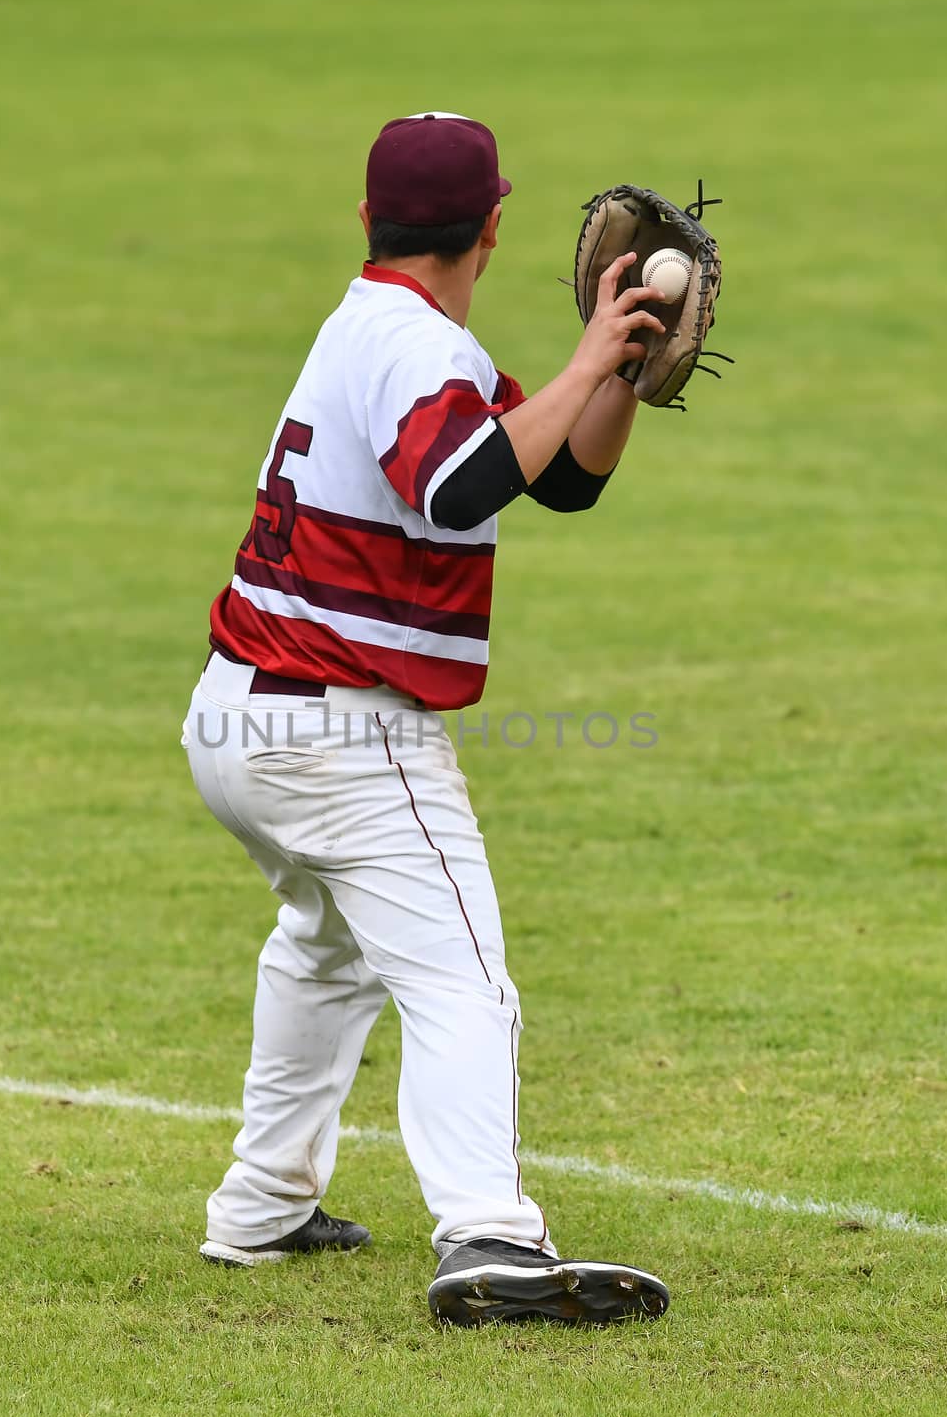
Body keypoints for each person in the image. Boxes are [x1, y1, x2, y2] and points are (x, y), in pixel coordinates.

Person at [182, 112, 670, 1326]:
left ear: (368, 218)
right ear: (494, 226)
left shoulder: (388, 328)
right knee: (465, 983)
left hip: (242, 719)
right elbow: (457, 485)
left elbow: (557, 476)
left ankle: (262, 1205)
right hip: (337, 735)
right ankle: (490, 1238)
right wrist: (576, 364)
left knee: (328, 945)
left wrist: (607, 366)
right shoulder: (419, 353)